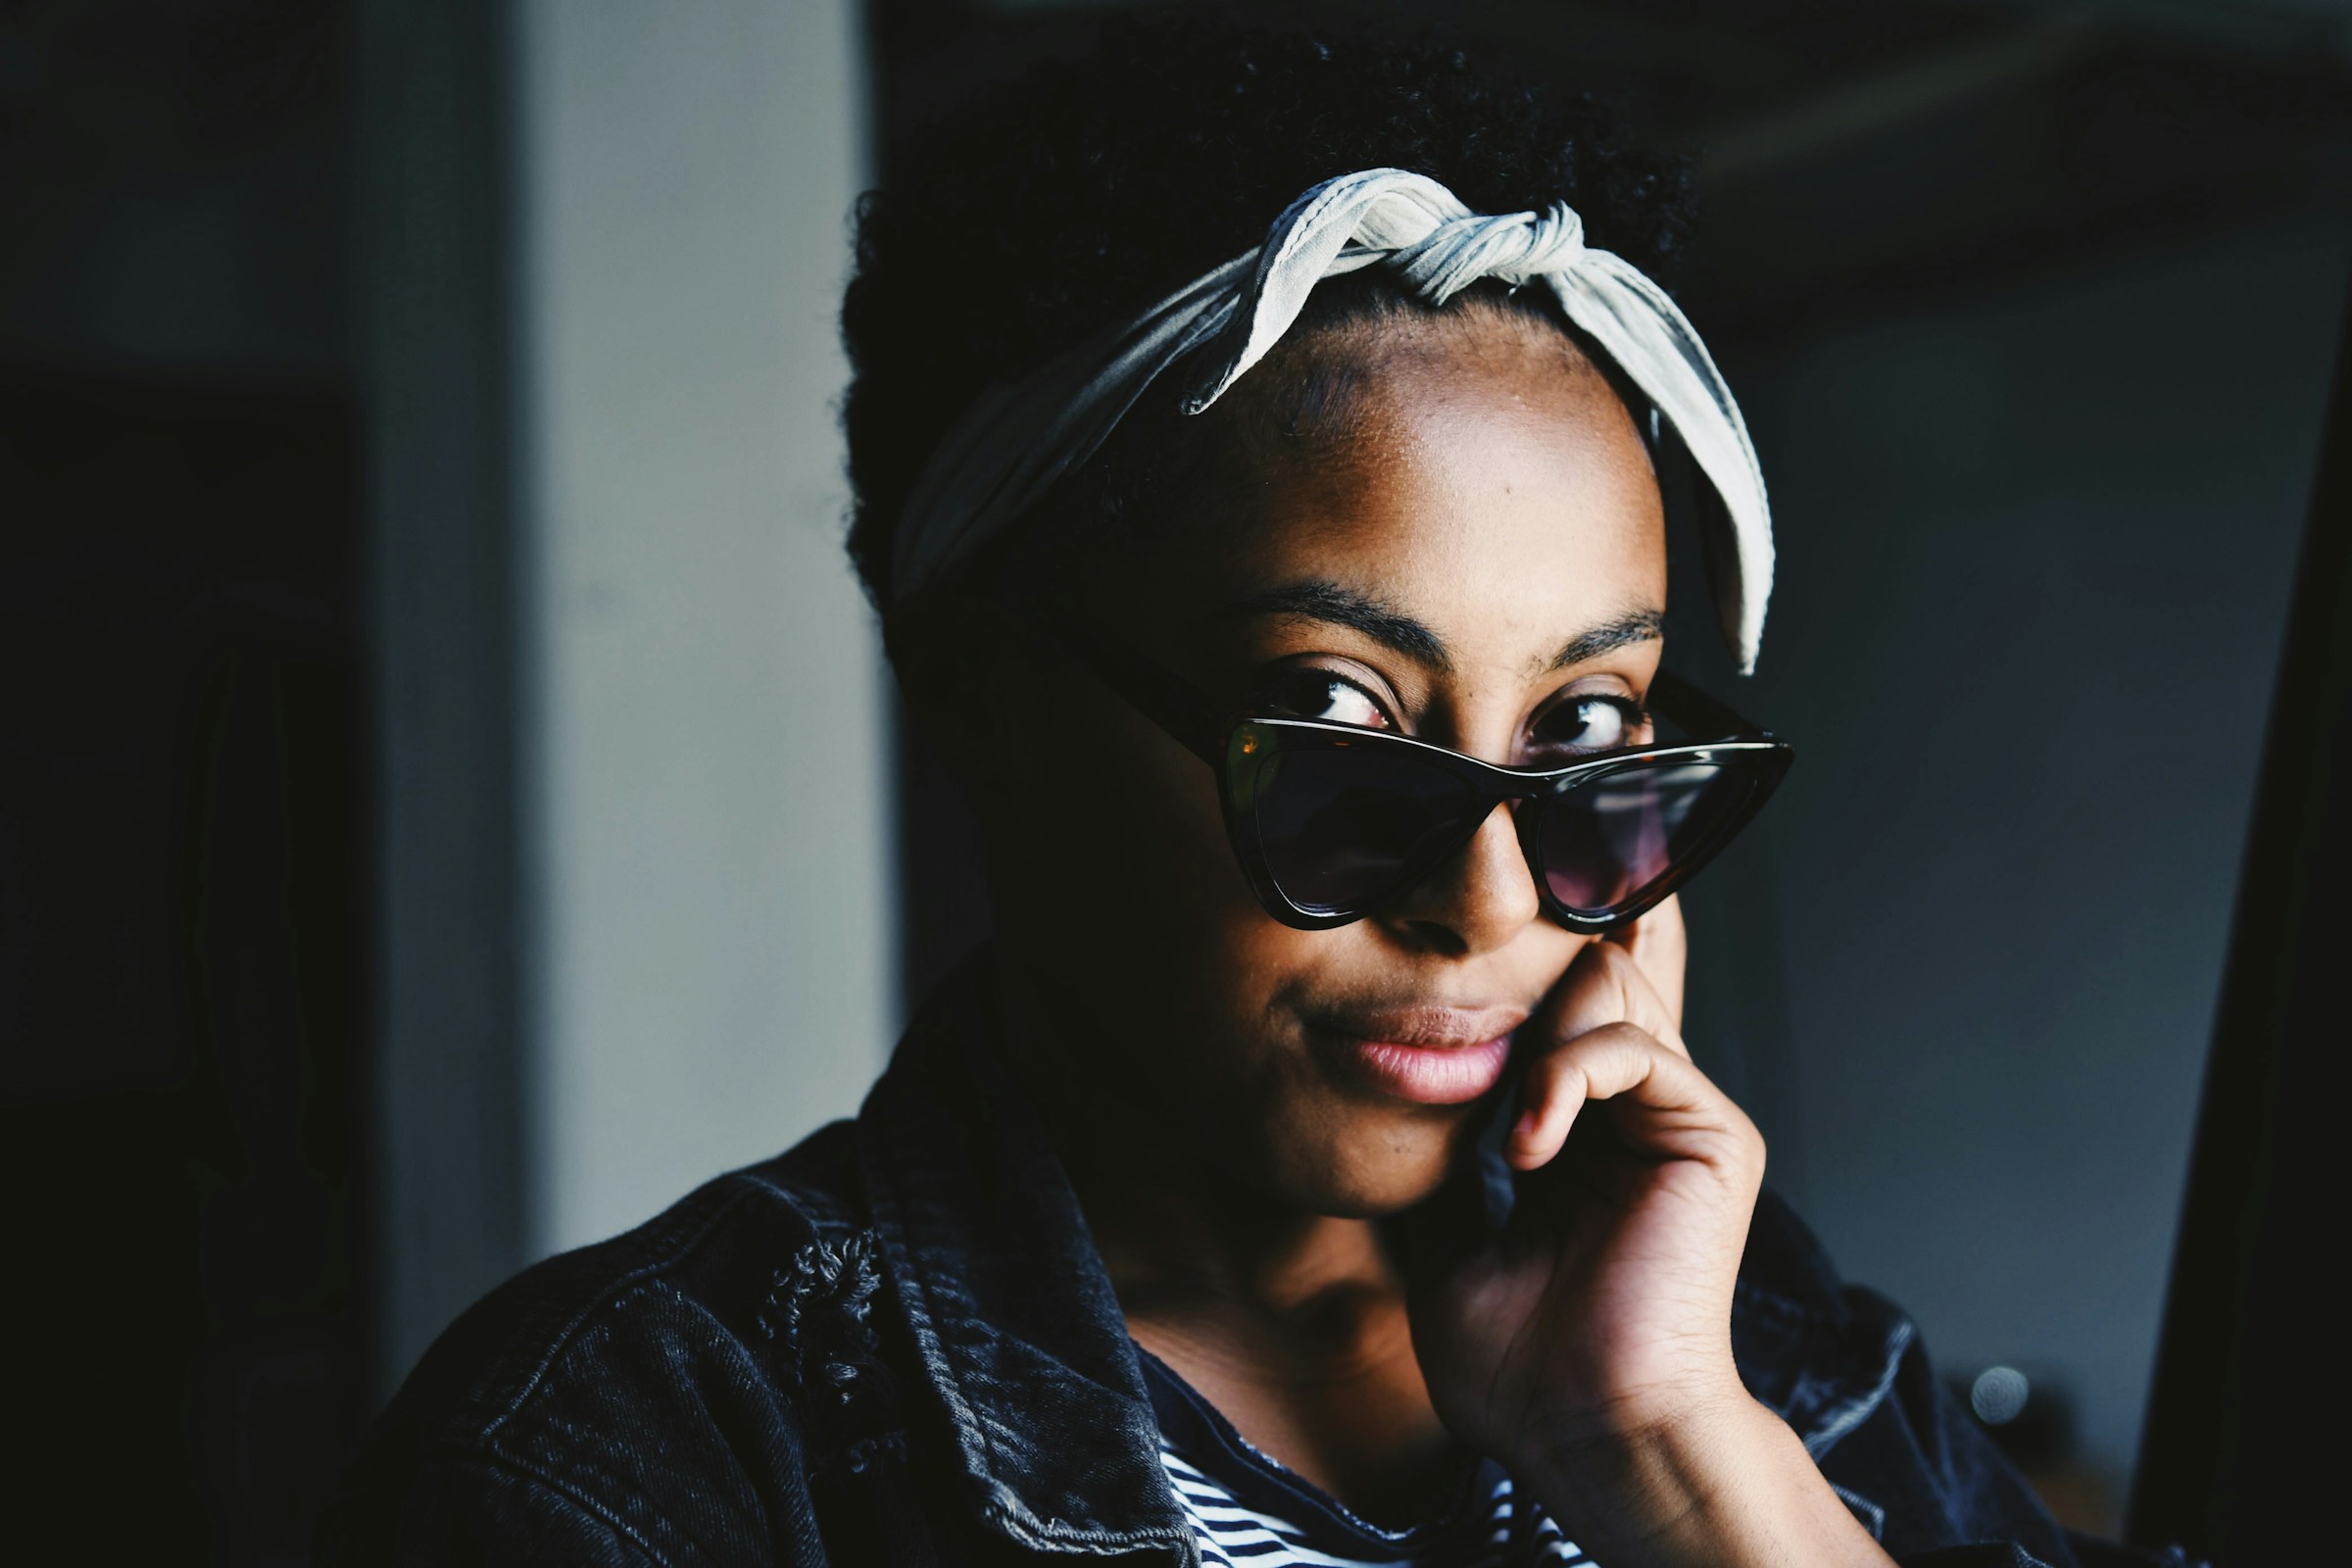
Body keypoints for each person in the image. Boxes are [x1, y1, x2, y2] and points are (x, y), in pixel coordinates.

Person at [320, 22, 2175, 1567]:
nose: (1497, 902)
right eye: (1335, 718)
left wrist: (1680, 1455)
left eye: (1590, 734)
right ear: (989, 703)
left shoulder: (1761, 1344)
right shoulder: (642, 1460)